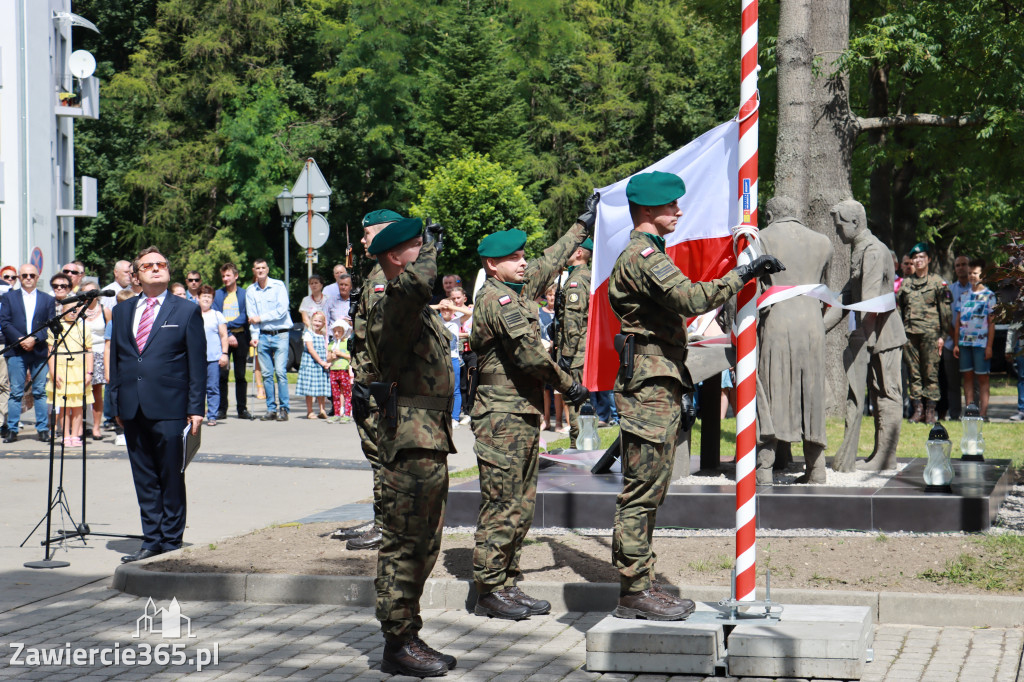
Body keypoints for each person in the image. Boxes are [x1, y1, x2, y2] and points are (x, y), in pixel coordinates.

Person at [608, 171, 783, 620]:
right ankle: (633, 591)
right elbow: (689, 297)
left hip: (658, 380)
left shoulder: (649, 254)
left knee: (652, 489)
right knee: (641, 492)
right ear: (648, 211)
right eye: (671, 206)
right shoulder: (644, 255)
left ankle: (641, 585)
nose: (679, 212)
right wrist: (742, 273)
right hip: (648, 386)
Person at [468, 199, 594, 621]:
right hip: (499, 414)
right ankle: (488, 588)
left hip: (518, 413)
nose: (523, 263)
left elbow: (552, 259)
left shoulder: (515, 287)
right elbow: (529, 356)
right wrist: (570, 385)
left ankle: (506, 581)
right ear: (491, 264)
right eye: (513, 258)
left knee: (521, 503)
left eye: (522, 256)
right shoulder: (497, 300)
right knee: (502, 501)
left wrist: (582, 223)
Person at [365, 217, 457, 677]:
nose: (425, 253)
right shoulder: (393, 301)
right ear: (393, 256)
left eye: (425, 245)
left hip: (428, 436)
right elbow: (420, 282)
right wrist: (431, 254)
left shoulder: (413, 305)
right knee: (404, 543)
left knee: (425, 542)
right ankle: (396, 642)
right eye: (416, 246)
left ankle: (410, 633)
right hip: (409, 439)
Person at [108, 246, 205, 563]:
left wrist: (196, 408)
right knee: (144, 478)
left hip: (171, 407)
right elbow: (119, 359)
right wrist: (116, 405)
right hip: (132, 408)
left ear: (168, 271)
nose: (155, 268)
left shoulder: (185, 310)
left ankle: (171, 541)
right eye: (147, 265)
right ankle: (151, 540)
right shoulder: (122, 311)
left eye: (160, 264)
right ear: (135, 275)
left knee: (171, 476)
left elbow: (197, 363)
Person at [754, 196, 833, 485]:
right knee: (811, 395)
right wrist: (820, 326)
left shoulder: (761, 238)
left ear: (771, 214)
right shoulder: (823, 241)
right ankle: (817, 469)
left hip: (776, 322)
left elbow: (752, 289)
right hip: (813, 325)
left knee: (772, 392)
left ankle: (764, 469)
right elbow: (829, 295)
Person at [827, 199, 906, 472]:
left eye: (840, 226)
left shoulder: (872, 250)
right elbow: (848, 295)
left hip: (883, 334)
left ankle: (886, 457)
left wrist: (864, 339)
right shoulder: (860, 248)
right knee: (877, 393)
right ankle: (879, 454)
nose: (837, 232)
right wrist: (818, 327)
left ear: (856, 223)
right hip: (873, 332)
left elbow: (870, 302)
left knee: (887, 393)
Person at [348, 209, 404, 552]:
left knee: (384, 454)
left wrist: (373, 383)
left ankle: (387, 525)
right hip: (367, 380)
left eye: (367, 234)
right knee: (375, 453)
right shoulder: (374, 273)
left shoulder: (386, 277)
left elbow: (384, 337)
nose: (362, 240)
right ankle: (380, 518)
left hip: (379, 384)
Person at [896, 242, 952, 424]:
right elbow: (900, 309)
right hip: (910, 334)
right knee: (914, 373)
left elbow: (945, 311)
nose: (918, 260)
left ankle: (930, 410)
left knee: (931, 373)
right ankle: (917, 409)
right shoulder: (906, 284)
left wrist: (943, 336)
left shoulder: (937, 282)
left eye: (921, 257)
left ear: (928, 259)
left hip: (931, 335)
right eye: (915, 258)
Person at [2, 264, 55, 443]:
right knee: (16, 392)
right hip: (16, 350)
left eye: (32, 275)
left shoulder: (47, 299)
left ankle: (42, 429)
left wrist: (35, 339)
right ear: (19, 277)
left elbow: (49, 323)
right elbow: (5, 322)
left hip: (39, 350)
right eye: (24, 275)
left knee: (40, 391)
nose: (28, 278)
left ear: (38, 276)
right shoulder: (9, 297)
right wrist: (21, 339)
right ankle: (12, 429)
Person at [246, 258, 292, 421]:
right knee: (266, 374)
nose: (260, 270)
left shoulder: (278, 286)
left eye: (263, 267)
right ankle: (271, 409)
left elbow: (282, 311)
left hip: (280, 334)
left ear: (267, 269)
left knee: (280, 372)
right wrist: (255, 336)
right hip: (263, 336)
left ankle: (284, 408)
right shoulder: (251, 291)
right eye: (257, 268)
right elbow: (252, 317)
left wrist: (260, 318)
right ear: (254, 270)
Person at [556, 238, 593, 441]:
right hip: (579, 349)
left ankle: (578, 446)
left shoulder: (576, 282)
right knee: (578, 400)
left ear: (578, 252)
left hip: (576, 351)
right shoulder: (582, 277)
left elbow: (572, 321)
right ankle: (580, 442)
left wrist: (567, 355)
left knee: (575, 400)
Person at [953, 259, 997, 418]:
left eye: (975, 273)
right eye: (970, 273)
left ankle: (983, 414)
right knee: (967, 377)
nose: (972, 276)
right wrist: (956, 344)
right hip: (964, 344)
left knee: (983, 378)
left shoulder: (990, 296)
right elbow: (958, 321)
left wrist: (989, 346)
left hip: (981, 344)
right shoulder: (964, 296)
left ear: (983, 275)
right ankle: (970, 412)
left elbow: (992, 323)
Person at [46, 299, 94, 446]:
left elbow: (88, 350)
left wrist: (89, 372)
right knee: (64, 405)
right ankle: (65, 435)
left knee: (78, 406)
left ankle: (75, 435)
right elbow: (51, 351)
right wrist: (53, 371)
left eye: (76, 310)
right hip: (62, 369)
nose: (73, 313)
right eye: (70, 309)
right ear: (63, 310)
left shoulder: (83, 326)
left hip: (79, 370)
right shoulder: (55, 327)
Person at [213, 262, 251, 420]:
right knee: (222, 374)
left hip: (241, 337)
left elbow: (244, 315)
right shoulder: (218, 294)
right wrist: (227, 333)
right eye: (223, 276)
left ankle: (242, 409)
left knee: (240, 375)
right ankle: (222, 409)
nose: (225, 279)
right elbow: (216, 315)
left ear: (235, 276)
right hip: (223, 337)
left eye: (228, 275)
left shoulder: (244, 294)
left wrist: (228, 325)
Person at [940, 255, 972, 420]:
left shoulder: (977, 289)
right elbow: (945, 317)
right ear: (955, 268)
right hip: (951, 343)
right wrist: (956, 338)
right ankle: (954, 415)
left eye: (964, 264)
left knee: (971, 382)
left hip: (972, 344)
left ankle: (972, 413)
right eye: (958, 265)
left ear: (969, 267)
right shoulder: (949, 291)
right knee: (952, 384)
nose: (961, 268)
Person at [80, 281, 111, 440]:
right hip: (81, 354)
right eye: (87, 292)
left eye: (93, 291)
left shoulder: (105, 310)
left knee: (97, 392)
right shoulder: (78, 310)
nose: (91, 295)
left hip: (99, 353)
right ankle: (79, 427)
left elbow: (110, 336)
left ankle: (96, 427)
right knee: (78, 392)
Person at [197, 286, 228, 426]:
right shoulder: (193, 314)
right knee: (196, 388)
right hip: (196, 358)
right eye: (203, 296)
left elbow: (224, 336)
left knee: (213, 387)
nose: (206, 299)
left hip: (213, 358)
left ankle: (212, 415)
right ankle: (196, 414)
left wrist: (224, 354)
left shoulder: (217, 315)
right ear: (198, 298)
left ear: (212, 300)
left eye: (209, 297)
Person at [537, 284, 565, 433]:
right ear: (545, 296)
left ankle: (558, 423)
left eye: (554, 295)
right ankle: (546, 420)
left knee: (557, 390)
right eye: (549, 295)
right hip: (544, 353)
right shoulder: (539, 312)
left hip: (558, 354)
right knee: (545, 390)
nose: (552, 297)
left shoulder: (561, 313)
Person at [297, 310, 331, 419]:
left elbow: (326, 348)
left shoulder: (323, 335)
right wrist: (321, 361)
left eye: (319, 321)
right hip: (311, 363)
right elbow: (311, 350)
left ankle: (322, 410)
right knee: (310, 388)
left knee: (321, 387)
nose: (317, 323)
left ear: (323, 323)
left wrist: (327, 360)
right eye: (315, 321)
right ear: (311, 321)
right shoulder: (308, 333)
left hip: (322, 363)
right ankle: (310, 411)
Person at [438, 299, 463, 427]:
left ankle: (455, 417)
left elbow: (469, 313)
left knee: (455, 388)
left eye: (448, 309)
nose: (445, 311)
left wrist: (453, 307)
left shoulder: (456, 321)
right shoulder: (436, 320)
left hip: (453, 358)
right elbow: (422, 309)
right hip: (440, 359)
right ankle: (441, 415)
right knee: (440, 388)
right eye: (443, 309)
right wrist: (439, 306)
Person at [326, 319, 352, 423]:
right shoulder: (332, 344)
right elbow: (327, 358)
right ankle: (336, 413)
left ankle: (347, 414)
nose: (336, 334)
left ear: (344, 332)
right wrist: (331, 357)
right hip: (333, 370)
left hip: (344, 370)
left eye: (339, 331)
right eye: (335, 331)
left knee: (346, 392)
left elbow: (351, 356)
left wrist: (341, 354)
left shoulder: (347, 343)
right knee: (335, 394)